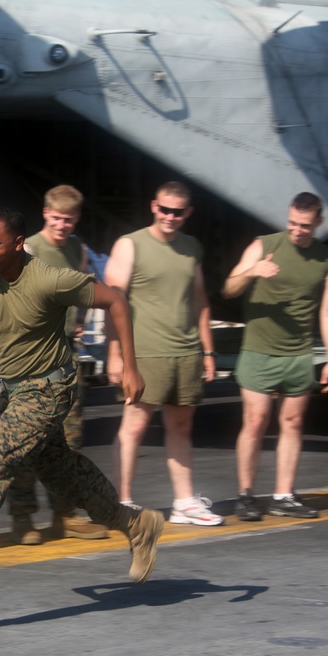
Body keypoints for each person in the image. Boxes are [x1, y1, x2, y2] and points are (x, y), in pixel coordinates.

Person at [0, 207, 164, 626]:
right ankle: (135, 525)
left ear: (18, 244)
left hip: (49, 388)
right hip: (12, 392)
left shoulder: (50, 279)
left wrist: (129, 366)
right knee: (60, 472)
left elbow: (116, 300)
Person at [104, 182, 224, 526]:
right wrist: (115, 354)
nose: (170, 216)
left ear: (188, 213)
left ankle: (184, 503)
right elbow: (111, 301)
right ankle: (123, 503)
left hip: (185, 352)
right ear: (153, 206)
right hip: (143, 353)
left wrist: (208, 351)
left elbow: (200, 301)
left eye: (178, 212)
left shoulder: (191, 247)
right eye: (164, 209)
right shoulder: (130, 244)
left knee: (181, 426)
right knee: (134, 427)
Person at [222, 191, 328, 521]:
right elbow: (228, 288)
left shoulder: (327, 260)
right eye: (292, 223)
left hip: (299, 354)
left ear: (319, 222)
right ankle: (245, 496)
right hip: (258, 350)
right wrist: (252, 271)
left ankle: (283, 496)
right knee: (255, 422)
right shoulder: (263, 245)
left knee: (293, 423)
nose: (297, 230)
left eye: (305, 225)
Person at [7, 185, 109, 544]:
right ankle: (22, 517)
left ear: (76, 218)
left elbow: (82, 285)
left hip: (65, 354)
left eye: (68, 219)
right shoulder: (27, 249)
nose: (62, 225)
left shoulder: (77, 249)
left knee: (69, 439)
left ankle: (64, 515)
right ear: (45, 214)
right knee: (28, 441)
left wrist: (77, 318)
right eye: (56, 218)